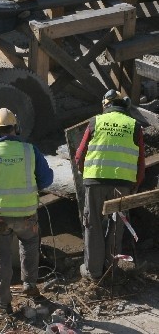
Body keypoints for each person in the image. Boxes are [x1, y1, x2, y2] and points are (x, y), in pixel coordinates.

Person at [0, 108, 54, 314]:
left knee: (0, 255)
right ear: (17, 128)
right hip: (27, 214)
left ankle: (2, 300)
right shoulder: (30, 151)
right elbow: (46, 180)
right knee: (29, 245)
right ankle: (29, 285)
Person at [74, 89, 145, 280]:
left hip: (95, 182)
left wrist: (86, 175)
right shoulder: (134, 125)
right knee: (117, 226)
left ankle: (93, 272)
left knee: (93, 225)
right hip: (122, 185)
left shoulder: (95, 122)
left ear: (105, 105)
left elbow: (79, 155)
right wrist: (135, 186)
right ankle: (110, 269)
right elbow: (141, 163)